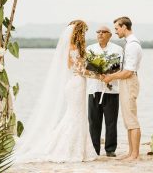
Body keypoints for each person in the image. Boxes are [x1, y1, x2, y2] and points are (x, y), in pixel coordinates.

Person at [15, 20, 98, 163]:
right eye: (84, 32)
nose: (84, 35)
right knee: (76, 115)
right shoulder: (75, 48)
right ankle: (69, 148)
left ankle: (78, 148)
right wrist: (96, 73)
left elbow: (71, 66)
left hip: (73, 83)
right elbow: (80, 69)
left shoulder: (70, 48)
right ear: (79, 32)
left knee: (75, 114)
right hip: (77, 83)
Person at [103, 17, 142, 161]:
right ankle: (130, 151)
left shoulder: (133, 45)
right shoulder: (130, 43)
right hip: (126, 81)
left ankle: (135, 154)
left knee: (131, 118)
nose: (116, 32)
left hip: (129, 81)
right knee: (127, 118)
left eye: (117, 28)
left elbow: (128, 72)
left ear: (124, 27)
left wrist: (111, 77)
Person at [87, 26, 122, 157]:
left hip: (112, 90)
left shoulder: (117, 49)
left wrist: (109, 74)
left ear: (110, 35)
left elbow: (119, 67)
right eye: (98, 31)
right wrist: (98, 75)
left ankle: (110, 149)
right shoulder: (90, 49)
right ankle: (94, 149)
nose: (100, 34)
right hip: (94, 89)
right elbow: (87, 68)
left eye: (104, 32)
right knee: (94, 121)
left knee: (111, 121)